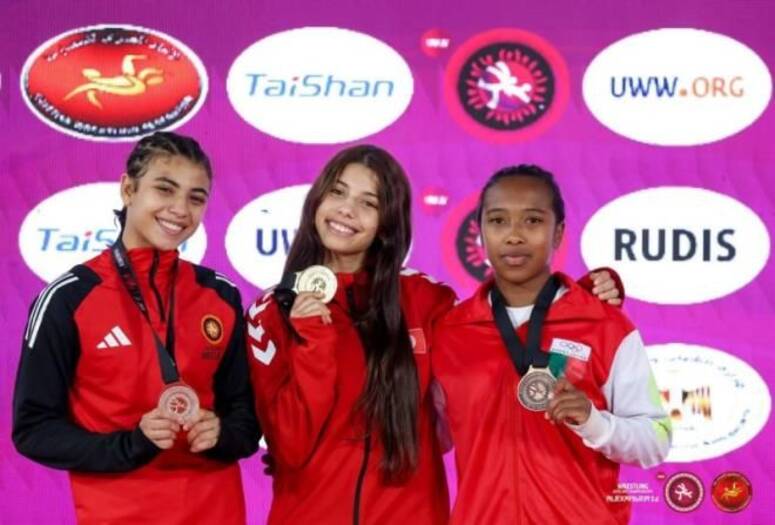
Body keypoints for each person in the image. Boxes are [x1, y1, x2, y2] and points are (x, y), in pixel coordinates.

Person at [245, 146, 624, 524]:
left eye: (369, 203)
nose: (347, 209)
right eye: (337, 192)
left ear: (387, 222)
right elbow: (289, 447)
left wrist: (577, 299)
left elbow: (502, 339)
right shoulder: (270, 312)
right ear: (317, 200)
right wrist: (314, 342)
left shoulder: (426, 300)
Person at [13, 131, 260, 524]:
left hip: (216, 510)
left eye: (196, 198)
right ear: (128, 189)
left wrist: (223, 434)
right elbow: (33, 429)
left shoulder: (220, 295)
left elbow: (246, 418)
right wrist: (131, 445)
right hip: (119, 513)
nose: (180, 209)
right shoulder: (68, 298)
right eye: (165, 189)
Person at [432, 165, 672, 525]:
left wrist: (594, 422)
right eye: (497, 221)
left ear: (558, 232)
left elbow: (655, 441)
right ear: (480, 232)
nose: (514, 236)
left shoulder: (604, 326)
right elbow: (433, 438)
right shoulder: (451, 333)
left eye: (532, 221)